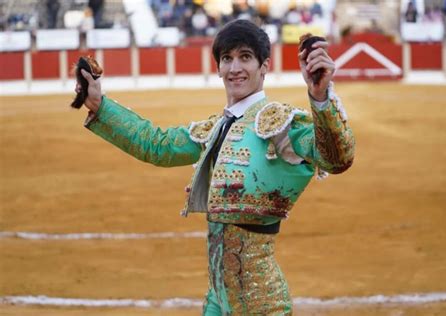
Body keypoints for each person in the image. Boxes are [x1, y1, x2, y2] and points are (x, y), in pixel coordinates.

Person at [76, 19, 354, 315]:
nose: (235, 68)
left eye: (245, 57)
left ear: (265, 66)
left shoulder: (281, 124)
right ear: (219, 68)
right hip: (217, 300)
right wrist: (99, 104)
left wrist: (321, 98)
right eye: (227, 59)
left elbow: (336, 159)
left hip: (260, 302)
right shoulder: (217, 128)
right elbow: (156, 146)